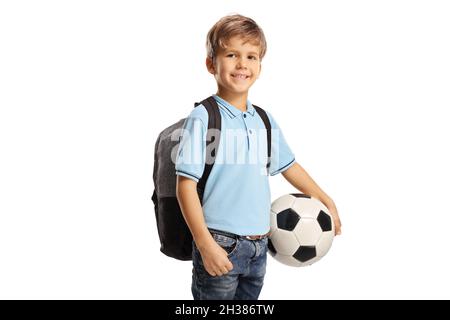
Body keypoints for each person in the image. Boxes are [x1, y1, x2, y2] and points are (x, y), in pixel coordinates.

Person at [175, 14, 342, 300]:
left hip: (260, 245)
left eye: (251, 56)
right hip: (220, 243)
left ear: (260, 66)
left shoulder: (263, 119)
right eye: (231, 54)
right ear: (211, 64)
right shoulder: (204, 118)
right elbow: (185, 186)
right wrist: (205, 244)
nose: (242, 64)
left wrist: (325, 199)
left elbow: (289, 167)